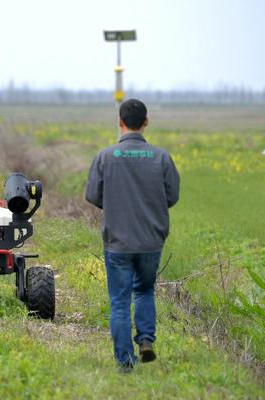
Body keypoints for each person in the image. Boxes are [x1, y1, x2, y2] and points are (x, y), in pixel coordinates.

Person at [85, 98, 180, 373]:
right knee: (145, 290)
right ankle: (147, 339)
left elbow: (92, 194)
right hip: (151, 240)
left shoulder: (105, 156)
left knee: (119, 301)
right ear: (146, 122)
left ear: (120, 121)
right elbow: (171, 196)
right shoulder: (161, 157)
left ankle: (125, 362)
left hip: (118, 241)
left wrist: (115, 203)